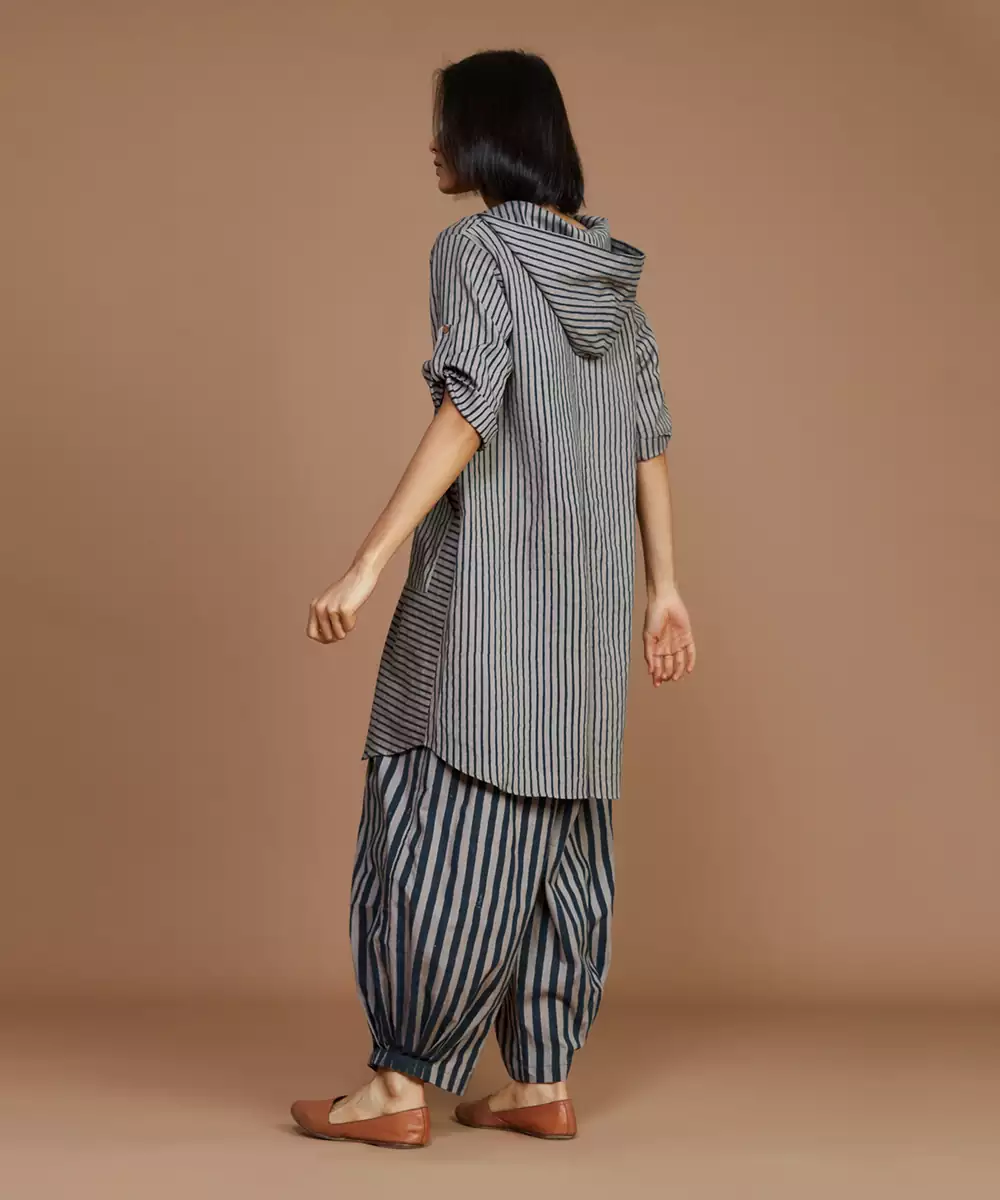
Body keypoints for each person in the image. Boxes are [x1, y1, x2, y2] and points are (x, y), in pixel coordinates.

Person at [292, 47, 695, 1150]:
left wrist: (370, 560)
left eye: (449, 123)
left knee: (436, 824)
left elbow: (467, 408)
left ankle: (397, 1087)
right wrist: (663, 589)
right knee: (563, 837)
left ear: (491, 135)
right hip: (586, 619)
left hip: (483, 608)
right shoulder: (610, 278)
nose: (434, 144)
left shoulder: (475, 249)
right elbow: (647, 440)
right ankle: (539, 1079)